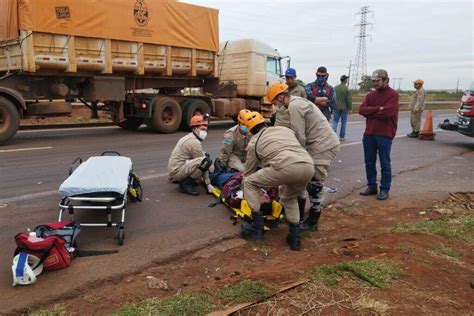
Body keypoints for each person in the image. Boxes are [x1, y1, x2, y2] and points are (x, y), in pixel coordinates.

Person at [268, 82, 340, 233]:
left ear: (281, 97)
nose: (276, 106)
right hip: (317, 144)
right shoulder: (295, 103)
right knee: (303, 178)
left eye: (275, 102)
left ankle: (313, 222)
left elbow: (299, 136)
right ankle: (299, 215)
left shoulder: (294, 107)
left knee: (315, 183)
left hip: (323, 145)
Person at [239, 111, 314, 251]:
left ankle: (257, 228)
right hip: (308, 165)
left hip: (286, 166)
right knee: (289, 198)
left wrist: (246, 191)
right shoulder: (284, 129)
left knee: (249, 182)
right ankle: (295, 239)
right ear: (265, 123)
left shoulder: (254, 143)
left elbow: (248, 173)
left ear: (249, 130)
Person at [359, 69, 399, 201]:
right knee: (369, 162)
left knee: (384, 163)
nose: (375, 83)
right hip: (369, 133)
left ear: (386, 80)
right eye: (373, 81)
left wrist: (371, 112)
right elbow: (361, 110)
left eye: (377, 81)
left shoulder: (393, 95)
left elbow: (388, 113)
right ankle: (371, 186)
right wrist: (378, 108)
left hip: (385, 133)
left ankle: (384, 189)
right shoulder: (371, 95)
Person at [168, 114, 214, 196]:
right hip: (177, 171)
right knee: (206, 161)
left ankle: (185, 179)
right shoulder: (194, 142)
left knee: (205, 156)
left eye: (206, 130)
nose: (205, 132)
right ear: (194, 128)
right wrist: (208, 184)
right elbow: (203, 163)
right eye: (202, 129)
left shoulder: (190, 137)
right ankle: (186, 184)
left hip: (175, 168)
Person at [332, 75, 352, 141]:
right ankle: (342, 137)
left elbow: (333, 97)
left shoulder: (335, 88)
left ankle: (332, 134)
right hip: (344, 108)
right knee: (343, 122)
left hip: (336, 107)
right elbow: (349, 100)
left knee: (335, 121)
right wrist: (350, 108)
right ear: (345, 80)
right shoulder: (347, 89)